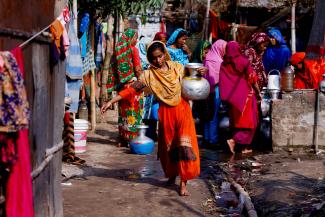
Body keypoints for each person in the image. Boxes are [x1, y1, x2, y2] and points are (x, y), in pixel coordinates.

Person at [101, 41, 203, 196]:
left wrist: (200, 73)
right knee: (168, 147)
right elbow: (132, 89)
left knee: (184, 145)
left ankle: (183, 182)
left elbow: (192, 79)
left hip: (183, 110)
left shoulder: (178, 68)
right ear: (149, 58)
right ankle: (172, 175)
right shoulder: (148, 75)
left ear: (165, 54)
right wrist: (111, 101)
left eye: (160, 56)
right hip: (166, 112)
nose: (158, 60)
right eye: (154, 58)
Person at [219, 41, 261, 154]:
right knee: (251, 122)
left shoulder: (224, 64)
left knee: (237, 123)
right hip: (246, 97)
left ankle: (243, 148)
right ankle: (234, 141)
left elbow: (223, 82)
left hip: (232, 98)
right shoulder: (244, 61)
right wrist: (258, 92)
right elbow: (253, 78)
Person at [106, 28, 143, 146]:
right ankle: (132, 139)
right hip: (133, 87)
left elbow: (113, 70)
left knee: (123, 114)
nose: (136, 41)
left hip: (122, 88)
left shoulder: (118, 51)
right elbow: (137, 69)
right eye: (135, 38)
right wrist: (142, 80)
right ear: (130, 38)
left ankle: (122, 138)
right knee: (134, 113)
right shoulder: (134, 50)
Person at [202, 39, 227, 146]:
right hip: (215, 90)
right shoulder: (218, 61)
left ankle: (207, 137)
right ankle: (213, 139)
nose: (225, 51)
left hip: (205, 89)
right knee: (214, 115)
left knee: (208, 115)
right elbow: (216, 78)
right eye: (224, 49)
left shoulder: (208, 58)